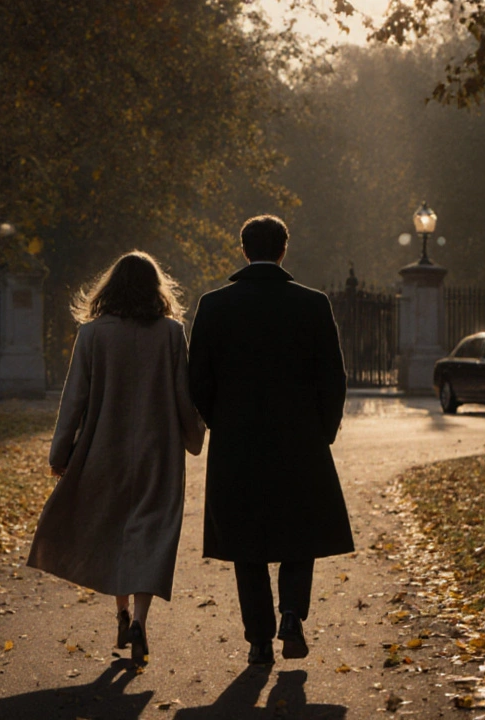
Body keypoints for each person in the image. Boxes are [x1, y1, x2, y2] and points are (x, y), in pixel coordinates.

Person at [188, 215, 353, 665]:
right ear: (284, 250)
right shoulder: (313, 304)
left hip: (238, 440)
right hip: (300, 439)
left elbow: (197, 378)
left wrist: (219, 420)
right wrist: (324, 430)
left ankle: (258, 640)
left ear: (244, 250)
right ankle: (293, 615)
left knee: (247, 542)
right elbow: (333, 377)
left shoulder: (214, 306)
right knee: (300, 534)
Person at [27, 250, 205, 665]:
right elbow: (184, 395)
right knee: (151, 532)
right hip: (158, 449)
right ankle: (141, 619)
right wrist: (194, 435)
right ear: (155, 288)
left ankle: (121, 613)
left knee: (112, 527)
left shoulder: (93, 336)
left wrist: (60, 453)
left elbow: (74, 400)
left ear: (110, 287)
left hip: (103, 449)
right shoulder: (171, 333)